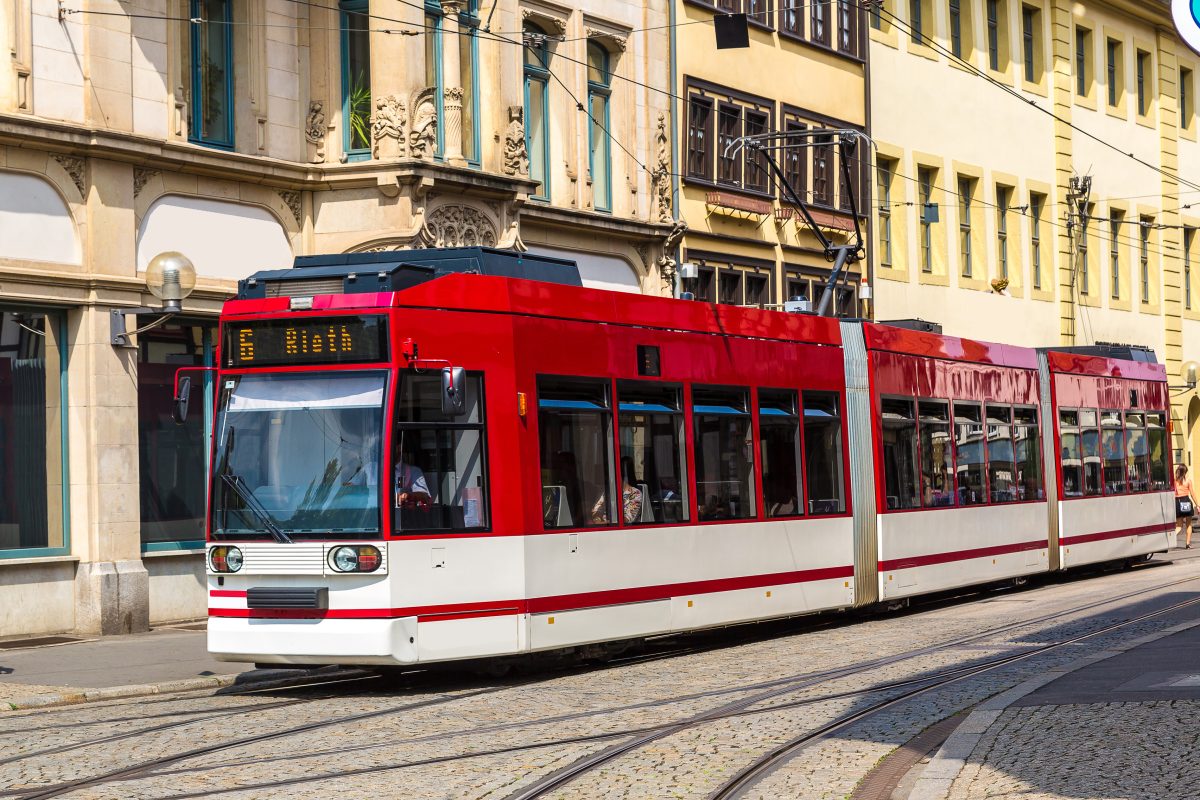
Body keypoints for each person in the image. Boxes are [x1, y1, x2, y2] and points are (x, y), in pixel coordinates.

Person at [590, 458, 643, 524]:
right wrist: (597, 519)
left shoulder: (635, 493)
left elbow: (627, 519)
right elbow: (596, 510)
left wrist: (604, 523)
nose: (610, 480)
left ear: (621, 476)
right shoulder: (608, 492)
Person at [1174, 464, 1196, 549]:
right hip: (1186, 501)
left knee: (1179, 526)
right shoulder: (1188, 481)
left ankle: (1169, 540)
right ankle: (1187, 544)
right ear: (1185, 472)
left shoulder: (1175, 481)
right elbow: (1193, 494)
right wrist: (1197, 505)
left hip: (1178, 502)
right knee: (1189, 524)